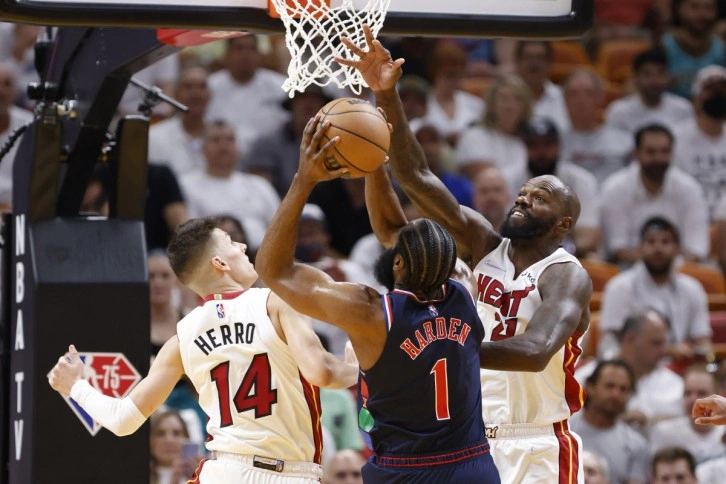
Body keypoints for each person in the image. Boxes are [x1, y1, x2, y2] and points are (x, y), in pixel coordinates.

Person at [338, 27, 591, 483]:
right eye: (524, 191)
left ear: (563, 224)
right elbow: (415, 175)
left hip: (536, 441)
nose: (523, 198)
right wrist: (386, 96)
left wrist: (449, 346)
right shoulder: (482, 243)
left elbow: (535, 352)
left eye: (540, 197)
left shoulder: (565, 275)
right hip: (470, 439)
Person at [255, 118, 500, 482]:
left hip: (403, 471)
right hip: (472, 466)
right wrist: (374, 166)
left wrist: (303, 180)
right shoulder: (466, 288)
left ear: (398, 261)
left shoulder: (371, 312)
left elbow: (274, 270)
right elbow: (391, 230)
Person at [48, 217, 359, 483]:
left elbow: (122, 420)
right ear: (220, 263)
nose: (243, 247)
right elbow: (322, 372)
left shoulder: (181, 338)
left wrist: (74, 386)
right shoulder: (275, 303)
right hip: (291, 474)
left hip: (223, 472)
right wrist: (358, 367)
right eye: (231, 243)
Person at [569, 360, 649, 484]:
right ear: (590, 387)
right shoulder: (563, 430)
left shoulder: (636, 445)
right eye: (609, 386)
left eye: (623, 389)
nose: (615, 394)